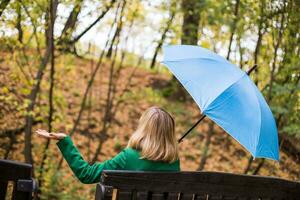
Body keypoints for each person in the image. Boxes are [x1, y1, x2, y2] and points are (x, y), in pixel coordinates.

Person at [36, 106, 180, 184]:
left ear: (143, 128)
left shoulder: (128, 157)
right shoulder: (174, 162)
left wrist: (65, 141)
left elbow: (87, 175)